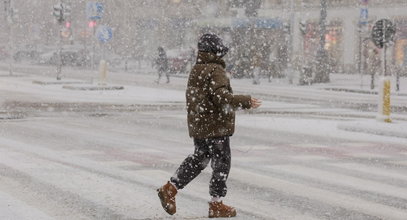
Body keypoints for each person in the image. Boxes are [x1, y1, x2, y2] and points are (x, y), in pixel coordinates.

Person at [157, 33, 262, 218]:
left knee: (200, 158)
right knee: (222, 163)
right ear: (215, 51)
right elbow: (221, 98)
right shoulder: (215, 70)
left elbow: (198, 97)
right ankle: (216, 204)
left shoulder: (196, 69)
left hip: (200, 124)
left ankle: (170, 188)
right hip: (216, 125)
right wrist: (245, 101)